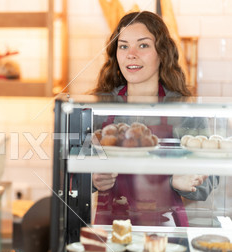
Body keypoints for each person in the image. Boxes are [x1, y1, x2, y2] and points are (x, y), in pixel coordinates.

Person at [89, 11, 218, 226]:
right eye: (123, 46)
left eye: (143, 45)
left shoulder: (184, 110)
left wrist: (184, 180)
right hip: (111, 232)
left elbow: (211, 178)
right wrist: (90, 179)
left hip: (168, 234)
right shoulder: (98, 108)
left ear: (162, 52)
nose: (131, 54)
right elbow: (70, 174)